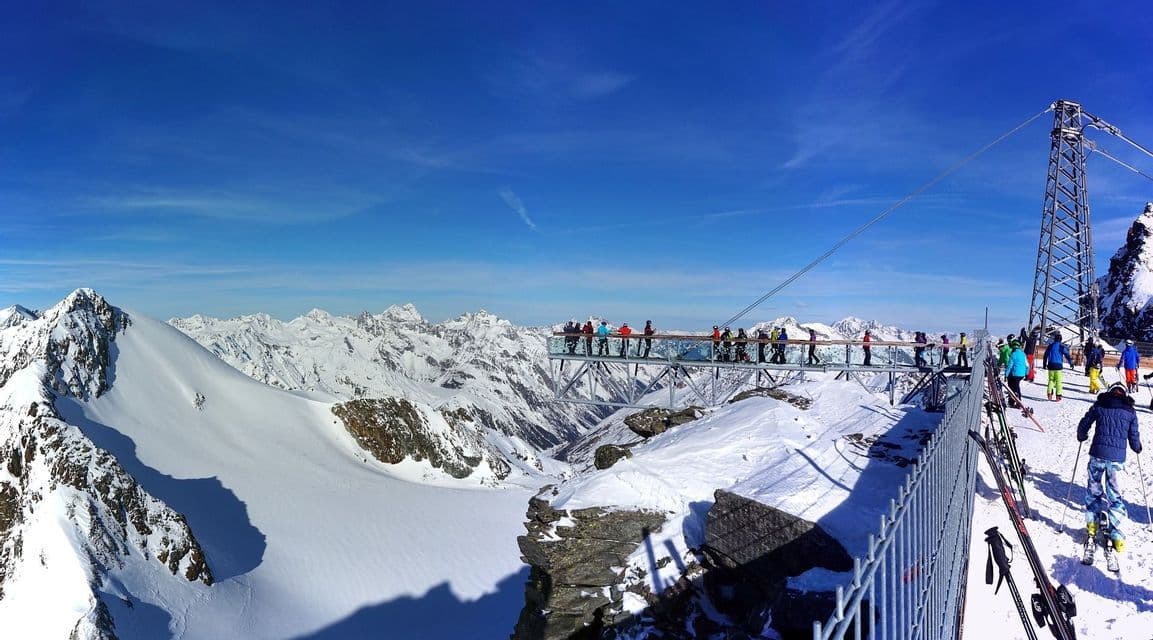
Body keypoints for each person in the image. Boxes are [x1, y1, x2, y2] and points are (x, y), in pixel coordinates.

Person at [1077, 381, 1143, 553]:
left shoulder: (1101, 404)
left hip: (1098, 453)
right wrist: (1136, 446)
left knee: (1094, 489)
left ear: (1110, 392)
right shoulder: (1130, 410)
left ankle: (1092, 524)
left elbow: (1086, 421)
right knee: (1114, 493)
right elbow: (1133, 434)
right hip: (1116, 459)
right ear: (1124, 393)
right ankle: (1117, 534)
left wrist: (1081, 434)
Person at [1044, 332, 1072, 401]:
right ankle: (1058, 396)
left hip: (1050, 365)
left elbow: (1045, 355)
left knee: (1051, 380)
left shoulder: (1050, 346)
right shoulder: (1061, 346)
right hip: (1058, 366)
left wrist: (1044, 364)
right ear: (1060, 340)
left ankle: (1049, 393)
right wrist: (1071, 363)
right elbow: (1067, 355)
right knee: (1058, 381)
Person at [1005, 339, 1028, 408]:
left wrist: (1006, 374)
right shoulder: (1023, 354)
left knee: (1011, 386)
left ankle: (1013, 401)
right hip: (1021, 374)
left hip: (1015, 374)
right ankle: (1017, 400)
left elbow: (1010, 366)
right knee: (1016, 386)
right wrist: (1026, 373)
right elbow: (1027, 365)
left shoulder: (1013, 354)